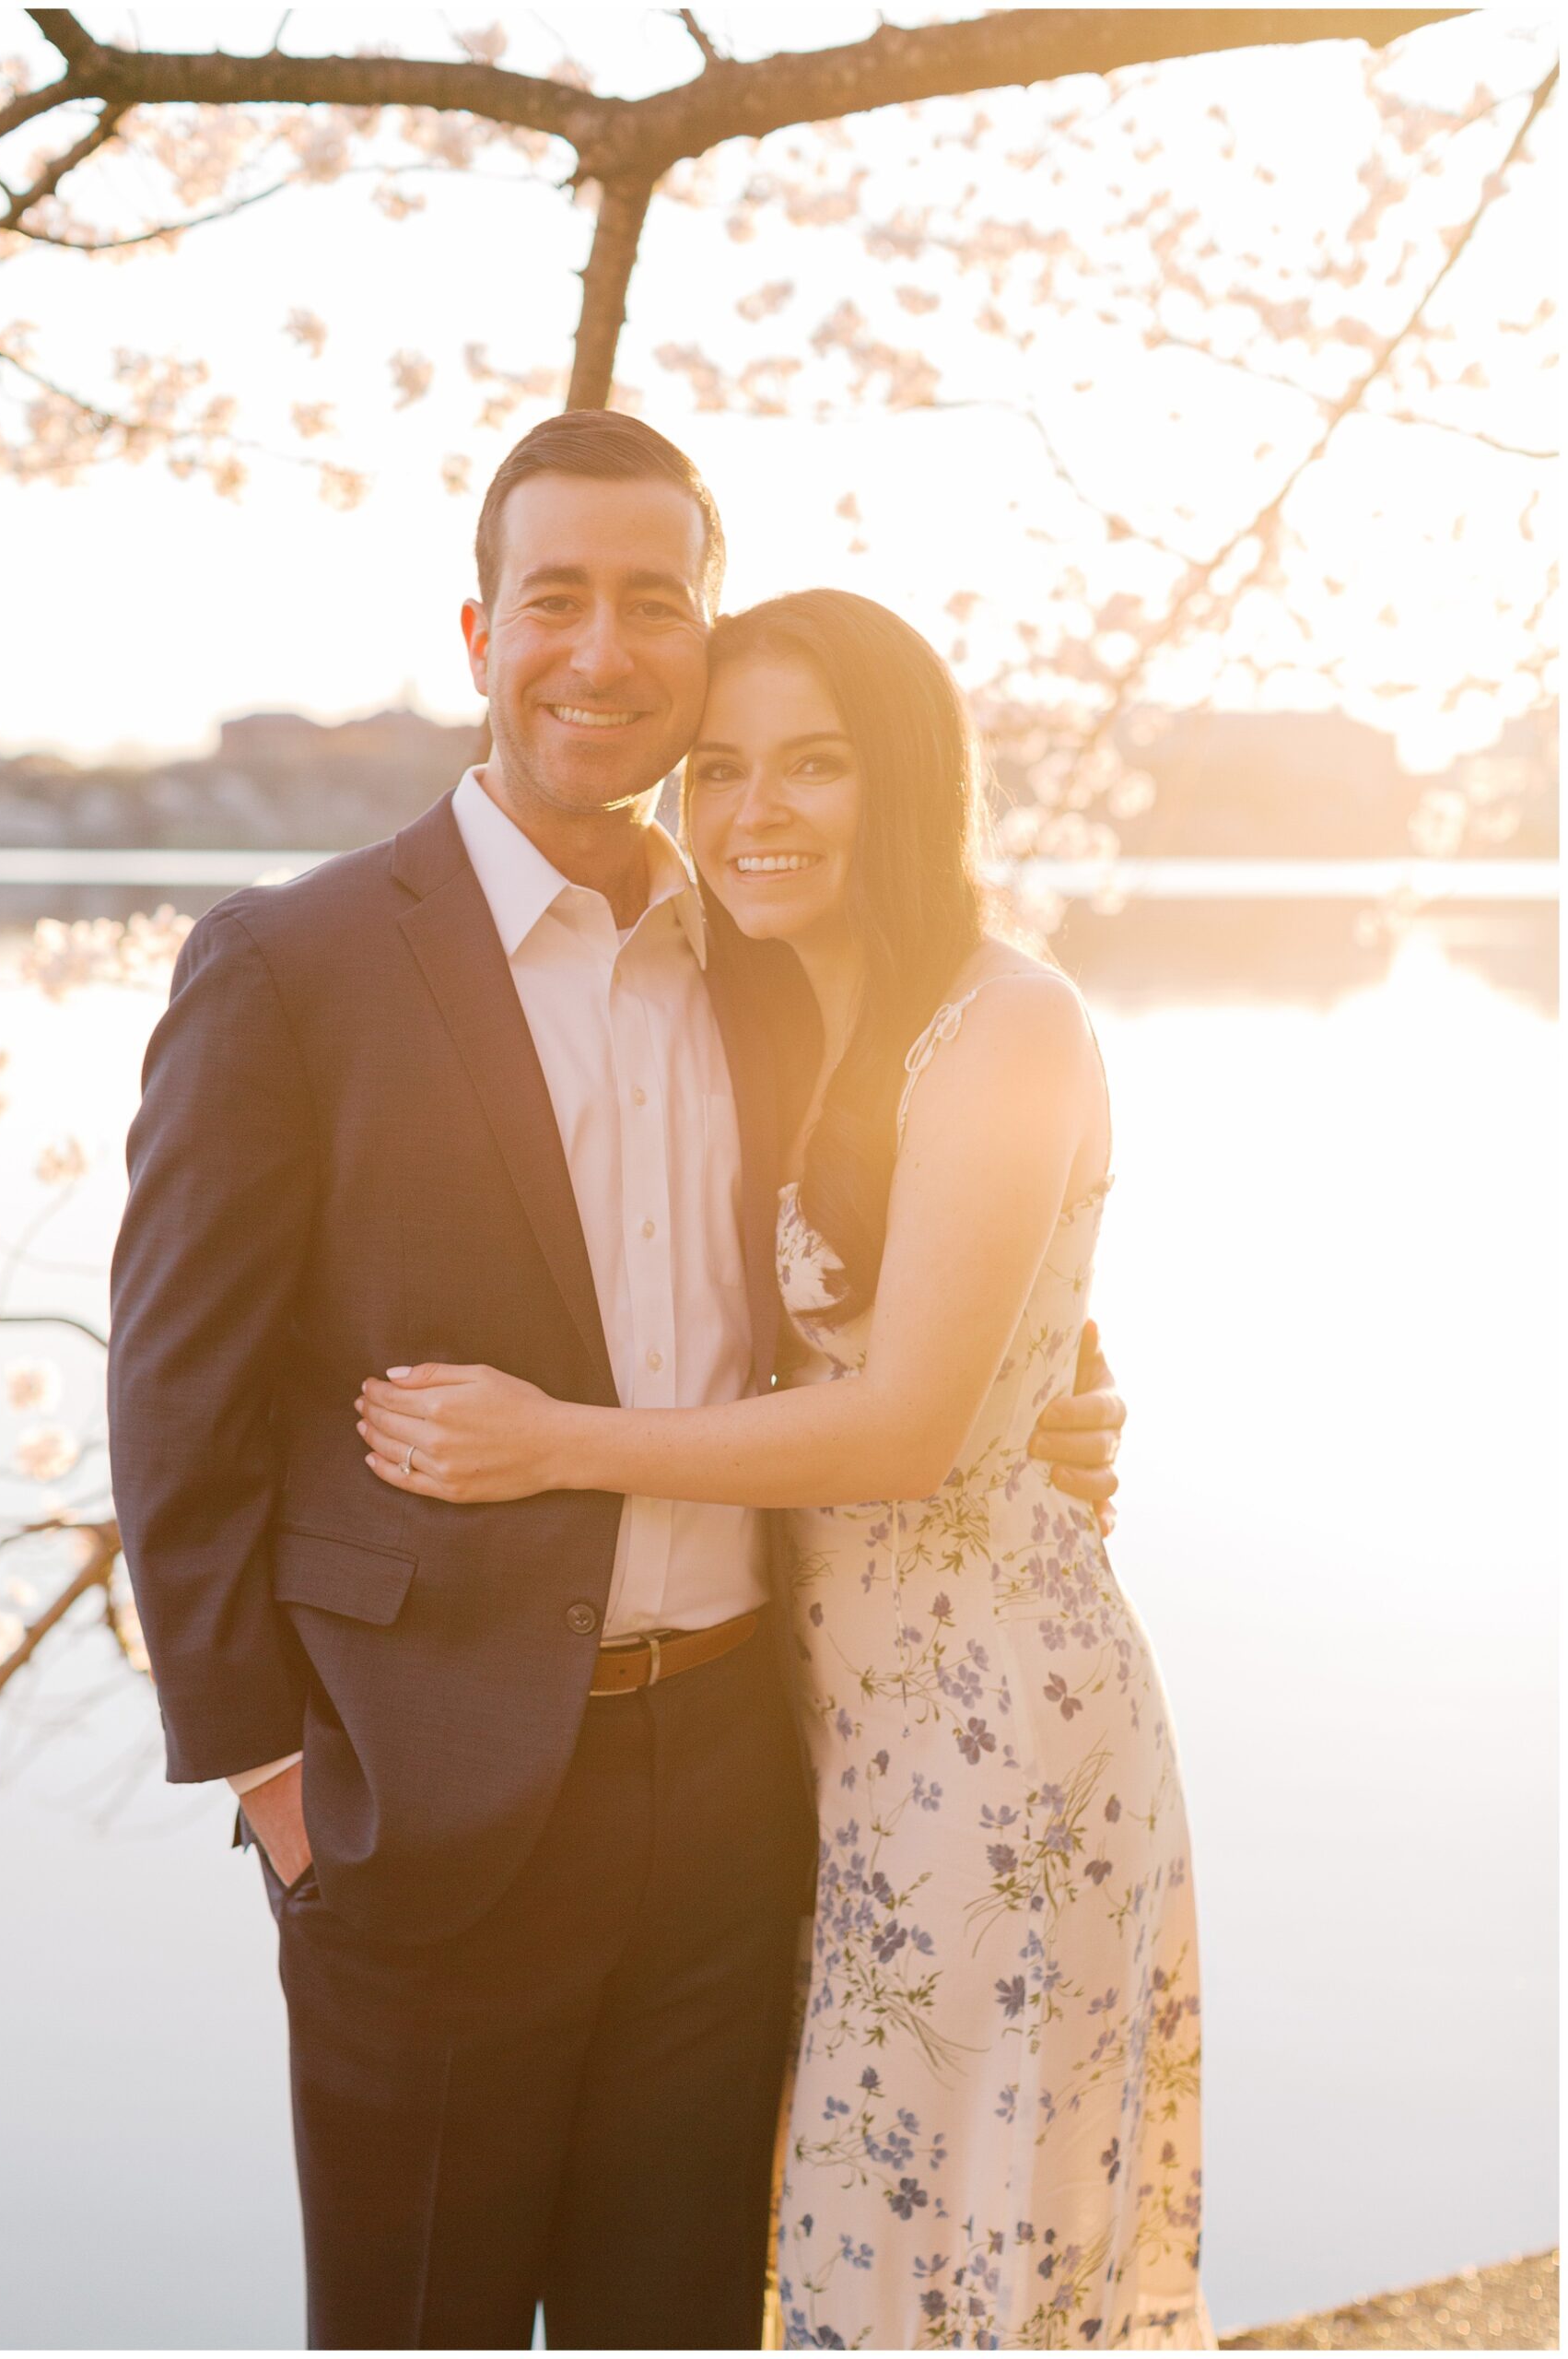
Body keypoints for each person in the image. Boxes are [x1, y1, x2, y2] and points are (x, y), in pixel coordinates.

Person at [108, 416, 1126, 2352]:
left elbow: (916, 1247)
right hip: (426, 1799)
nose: (602, 646)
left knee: (678, 2322)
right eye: (554, 597)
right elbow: (176, 1407)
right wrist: (273, 1779)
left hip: (744, 1783)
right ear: (480, 631)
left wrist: (1060, 1389)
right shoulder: (294, 964)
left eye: (652, 600)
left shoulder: (764, 956)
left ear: (703, 630)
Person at [354, 588, 1213, 2349]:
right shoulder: (753, 1020)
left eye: (813, 766)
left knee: (962, 2255)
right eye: (721, 766)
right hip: (808, 1729)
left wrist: (549, 1447)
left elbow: (904, 1426)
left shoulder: (1005, 1022)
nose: (754, 812)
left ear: (907, 785)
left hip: (988, 1730)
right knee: (827, 2239)